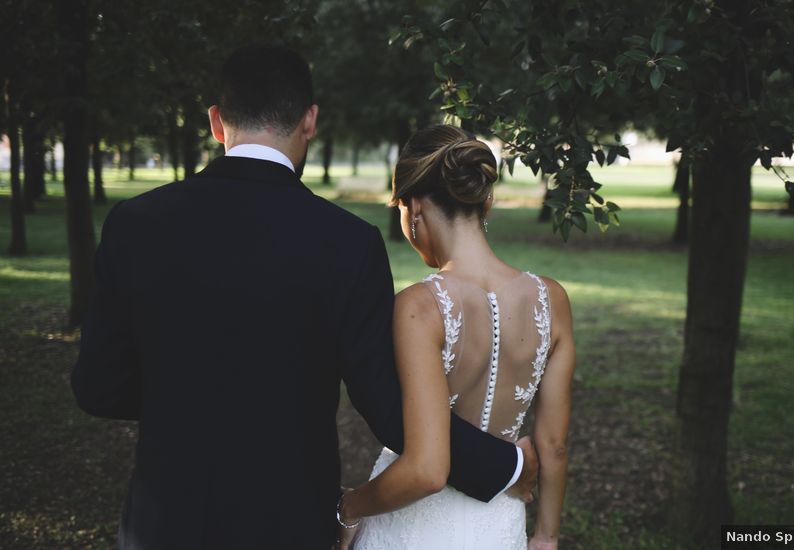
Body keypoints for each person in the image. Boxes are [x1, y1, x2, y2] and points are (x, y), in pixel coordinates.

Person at [70, 45, 537, 550]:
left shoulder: (135, 225)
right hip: (291, 525)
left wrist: (184, 394)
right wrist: (507, 464)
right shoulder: (348, 242)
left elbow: (98, 388)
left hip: (165, 524)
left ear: (215, 122)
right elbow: (386, 404)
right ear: (309, 120)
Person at [339, 125, 576, 550]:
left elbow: (425, 470)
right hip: (499, 526)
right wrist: (546, 536)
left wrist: (350, 507)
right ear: (486, 201)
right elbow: (554, 446)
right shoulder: (552, 300)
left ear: (413, 208)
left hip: (413, 528)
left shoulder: (418, 306)